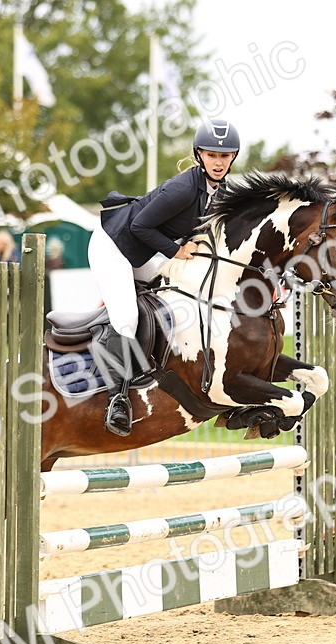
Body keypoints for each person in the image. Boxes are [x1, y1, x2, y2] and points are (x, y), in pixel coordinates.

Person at [88, 117, 240, 436]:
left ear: (233, 158)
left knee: (177, 294)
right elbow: (139, 226)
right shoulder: (183, 187)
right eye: (212, 155)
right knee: (127, 317)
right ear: (199, 155)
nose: (218, 162)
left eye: (224, 156)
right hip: (113, 244)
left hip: (140, 250)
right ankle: (117, 400)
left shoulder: (221, 190)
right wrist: (175, 250)